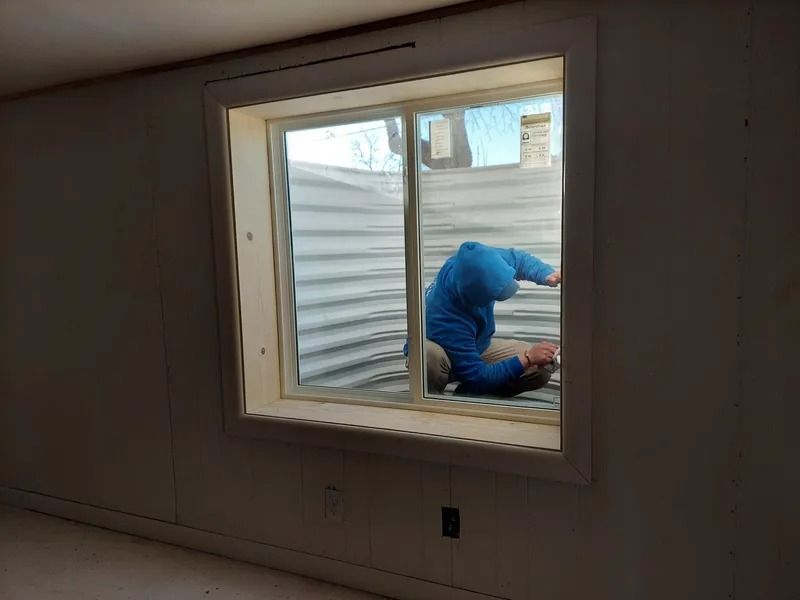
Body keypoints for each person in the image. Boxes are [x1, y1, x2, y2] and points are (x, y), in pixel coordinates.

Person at [417, 241, 561, 397]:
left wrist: (546, 274)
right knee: (429, 355)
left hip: (473, 345)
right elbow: (478, 375)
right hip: (443, 352)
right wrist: (528, 358)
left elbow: (518, 260)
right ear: (474, 299)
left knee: (538, 371)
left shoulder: (480, 260)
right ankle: (432, 405)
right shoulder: (446, 318)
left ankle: (467, 396)